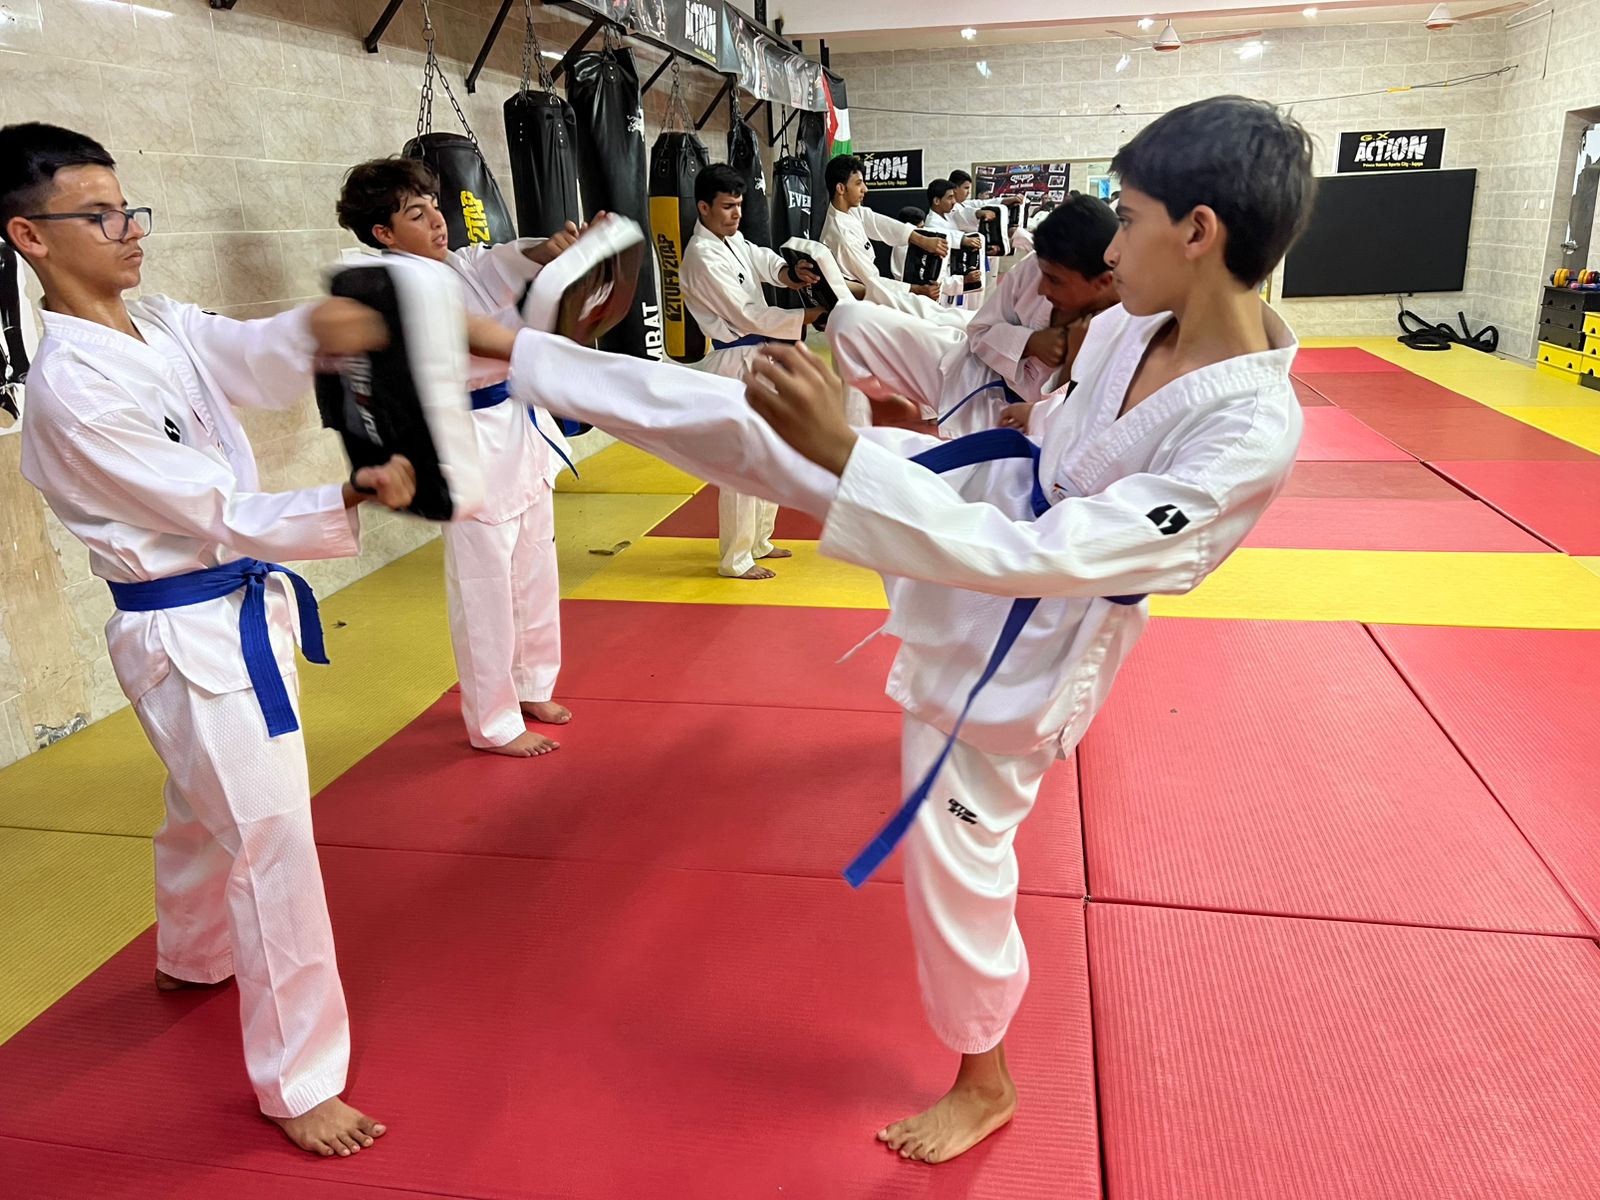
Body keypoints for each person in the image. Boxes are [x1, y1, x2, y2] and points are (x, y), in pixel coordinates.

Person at [465, 94, 1312, 1166]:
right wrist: (1023, 412)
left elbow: (1048, 557)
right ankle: (515, 352)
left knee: (957, 852)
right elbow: (1060, 422)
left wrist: (848, 452)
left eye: (1129, 218)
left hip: (1035, 628)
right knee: (745, 421)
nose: (1110, 247)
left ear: (1198, 231)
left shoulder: (1246, 430)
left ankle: (985, 1080)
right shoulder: (1134, 324)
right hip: (981, 504)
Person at [3, 122, 415, 1157]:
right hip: (185, 623)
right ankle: (300, 1081)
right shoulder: (71, 388)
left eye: (128, 208)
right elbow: (209, 506)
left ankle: (188, 955)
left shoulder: (155, 322)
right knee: (272, 844)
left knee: (202, 805)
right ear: (30, 237)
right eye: (100, 216)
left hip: (233, 610)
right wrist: (343, 497)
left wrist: (319, 326)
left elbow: (244, 352)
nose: (129, 229)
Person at [337, 157, 577, 757]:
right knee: (484, 588)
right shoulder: (385, 288)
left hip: (518, 427)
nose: (437, 221)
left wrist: (553, 249)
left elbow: (509, 258)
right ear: (383, 233)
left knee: (536, 568)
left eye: (434, 206)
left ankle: (533, 684)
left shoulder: (463, 264)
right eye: (416, 215)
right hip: (462, 443)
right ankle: (493, 722)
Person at [827, 194, 1120, 434]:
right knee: (848, 320)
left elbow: (1075, 428)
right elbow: (979, 331)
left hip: (1019, 428)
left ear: (1103, 282)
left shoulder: (1126, 328)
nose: (1042, 288)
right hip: (970, 370)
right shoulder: (1035, 266)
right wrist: (1030, 343)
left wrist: (1069, 367)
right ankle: (859, 427)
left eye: (1055, 280)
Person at [678, 162, 824, 579]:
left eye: (739, 205)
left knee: (770, 449)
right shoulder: (701, 256)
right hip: (733, 361)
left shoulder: (733, 240)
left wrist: (789, 273)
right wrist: (808, 316)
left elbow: (762, 260)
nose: (736, 214)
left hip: (760, 355)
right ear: (703, 207)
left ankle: (760, 540)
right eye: (727, 206)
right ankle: (736, 558)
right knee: (742, 459)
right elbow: (746, 314)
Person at [820, 154, 949, 303]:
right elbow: (872, 282)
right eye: (858, 184)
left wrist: (920, 239)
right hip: (859, 303)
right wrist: (916, 290)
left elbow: (879, 223)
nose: (865, 189)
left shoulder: (851, 211)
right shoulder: (842, 236)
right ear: (841, 188)